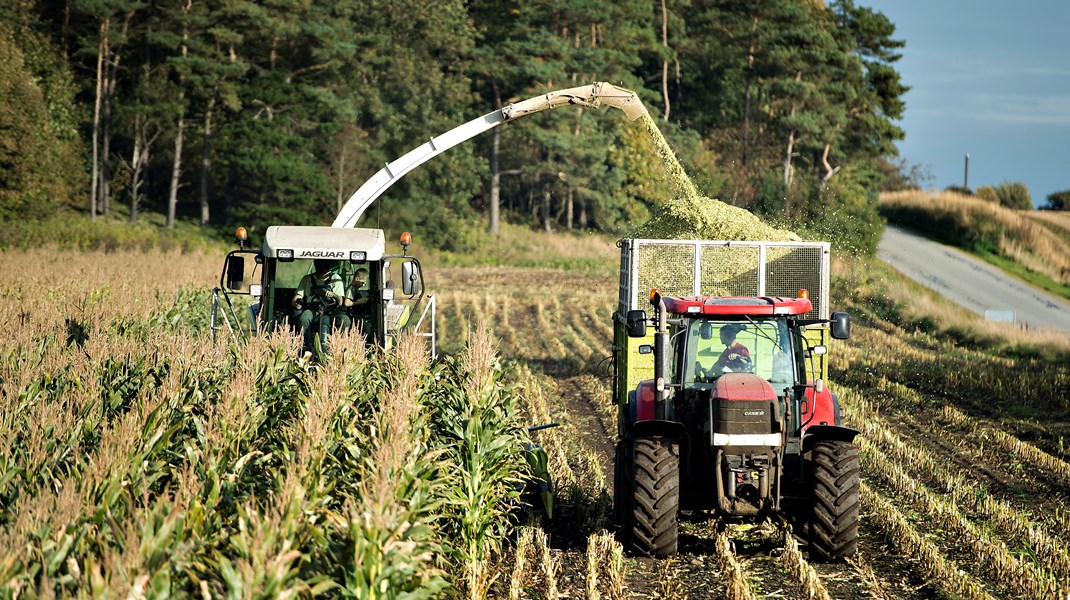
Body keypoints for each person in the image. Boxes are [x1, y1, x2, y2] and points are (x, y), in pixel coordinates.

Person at [292, 259, 350, 346]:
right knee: (303, 318)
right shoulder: (307, 279)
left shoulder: (336, 279)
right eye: (319, 265)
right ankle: (306, 346)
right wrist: (297, 303)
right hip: (312, 310)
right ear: (315, 265)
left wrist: (333, 295)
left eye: (324, 266)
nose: (322, 268)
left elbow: (340, 300)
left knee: (344, 320)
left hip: (331, 311)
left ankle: (340, 348)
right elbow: (297, 297)